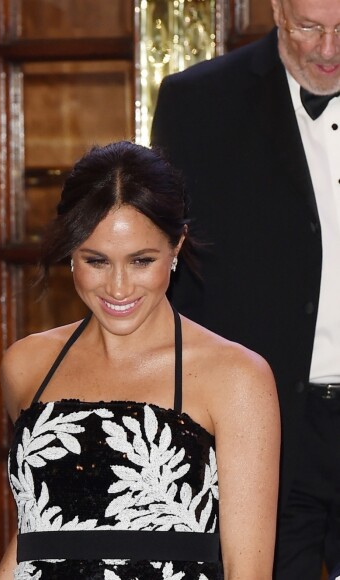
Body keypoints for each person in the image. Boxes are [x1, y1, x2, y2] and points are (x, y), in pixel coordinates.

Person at [0, 141, 280, 580]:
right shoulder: (26, 364)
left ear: (177, 247)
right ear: (71, 252)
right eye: (97, 261)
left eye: (142, 261)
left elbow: (250, 570)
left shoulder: (236, 378)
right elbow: (32, 533)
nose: (119, 287)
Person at [151, 0, 340, 577]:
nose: (328, 50)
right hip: (269, 423)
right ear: (278, 9)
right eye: (310, 28)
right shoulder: (199, 102)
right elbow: (176, 281)